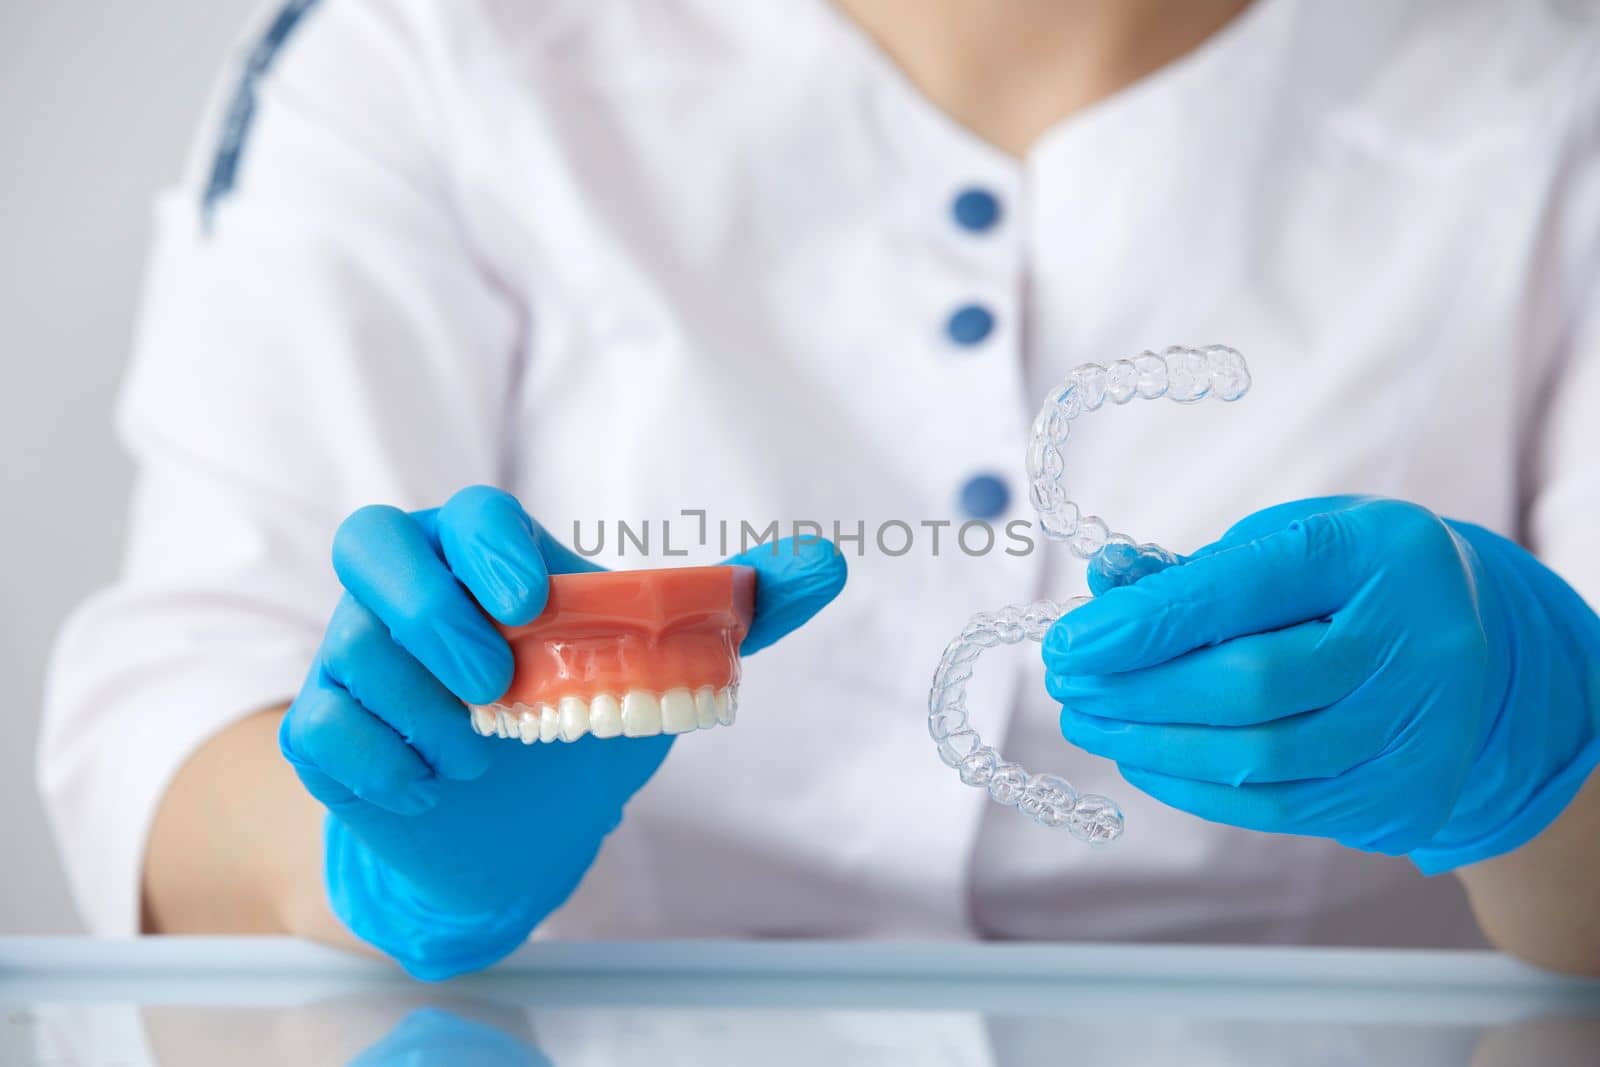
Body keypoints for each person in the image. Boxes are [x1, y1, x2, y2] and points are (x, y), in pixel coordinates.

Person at [40, 0, 1600, 980]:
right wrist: (362, 857)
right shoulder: (426, 51)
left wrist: (1546, 751)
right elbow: (174, 721)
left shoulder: (1552, 105)